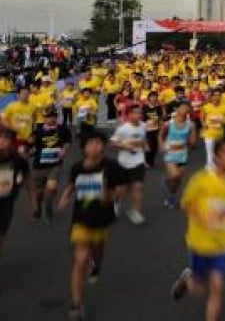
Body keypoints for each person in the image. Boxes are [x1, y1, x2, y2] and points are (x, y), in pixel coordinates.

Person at [171, 139, 225, 321]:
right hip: (200, 242)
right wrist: (202, 218)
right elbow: (186, 204)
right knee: (198, 289)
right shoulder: (201, 179)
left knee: (217, 286)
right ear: (217, 157)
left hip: (223, 242)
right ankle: (188, 278)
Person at [59, 131, 121, 320]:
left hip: (102, 218)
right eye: (90, 143)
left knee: (98, 248)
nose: (95, 147)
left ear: (103, 146)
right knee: (80, 259)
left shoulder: (111, 167)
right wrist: (64, 198)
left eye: (98, 143)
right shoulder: (77, 167)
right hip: (81, 219)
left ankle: (97, 265)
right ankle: (77, 305)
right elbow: (71, 184)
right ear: (83, 148)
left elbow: (117, 193)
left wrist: (106, 196)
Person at [29, 107, 70, 223]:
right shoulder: (38, 131)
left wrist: (64, 150)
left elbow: (67, 142)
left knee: (51, 187)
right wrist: (30, 149)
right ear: (44, 118)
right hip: (39, 165)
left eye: (53, 117)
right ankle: (37, 208)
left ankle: (48, 207)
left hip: (55, 164)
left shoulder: (62, 129)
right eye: (48, 117)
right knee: (39, 191)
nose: (51, 119)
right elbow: (31, 145)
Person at [110, 103, 149, 225]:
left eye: (140, 113)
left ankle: (135, 212)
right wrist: (124, 145)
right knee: (120, 191)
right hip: (123, 162)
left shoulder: (143, 126)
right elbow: (113, 142)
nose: (139, 115)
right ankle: (115, 204)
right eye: (136, 113)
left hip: (138, 161)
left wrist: (145, 145)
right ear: (130, 115)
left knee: (138, 187)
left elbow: (143, 139)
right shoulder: (123, 129)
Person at [0, 128, 29, 281]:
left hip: (5, 204)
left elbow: (27, 179)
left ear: (12, 143)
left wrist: (33, 203)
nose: (2, 142)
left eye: (6, 139)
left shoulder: (18, 160)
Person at [161, 102, 196, 208]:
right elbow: (161, 135)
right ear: (178, 110)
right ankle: (166, 181)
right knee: (175, 175)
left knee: (178, 180)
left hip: (182, 154)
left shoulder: (191, 125)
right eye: (182, 108)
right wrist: (161, 144)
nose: (184, 110)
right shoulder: (169, 123)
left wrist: (192, 141)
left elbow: (193, 139)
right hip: (170, 153)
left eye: (187, 108)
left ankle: (171, 197)